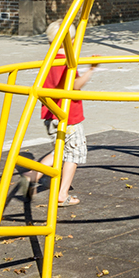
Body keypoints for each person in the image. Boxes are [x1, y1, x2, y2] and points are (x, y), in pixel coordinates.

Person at [29, 43, 96, 205]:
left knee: (59, 150)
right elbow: (75, 86)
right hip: (68, 117)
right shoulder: (65, 63)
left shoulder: (49, 59)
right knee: (74, 152)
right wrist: (91, 69)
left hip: (51, 115)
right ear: (71, 42)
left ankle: (31, 177)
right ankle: (63, 193)